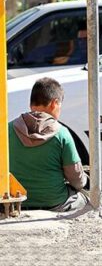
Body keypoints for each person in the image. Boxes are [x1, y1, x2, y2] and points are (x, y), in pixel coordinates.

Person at [9, 77, 88, 211]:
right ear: (54, 103)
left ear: (31, 104)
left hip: (14, 202)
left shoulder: (6, 130)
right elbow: (76, 180)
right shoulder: (62, 133)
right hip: (55, 202)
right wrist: (84, 180)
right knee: (86, 201)